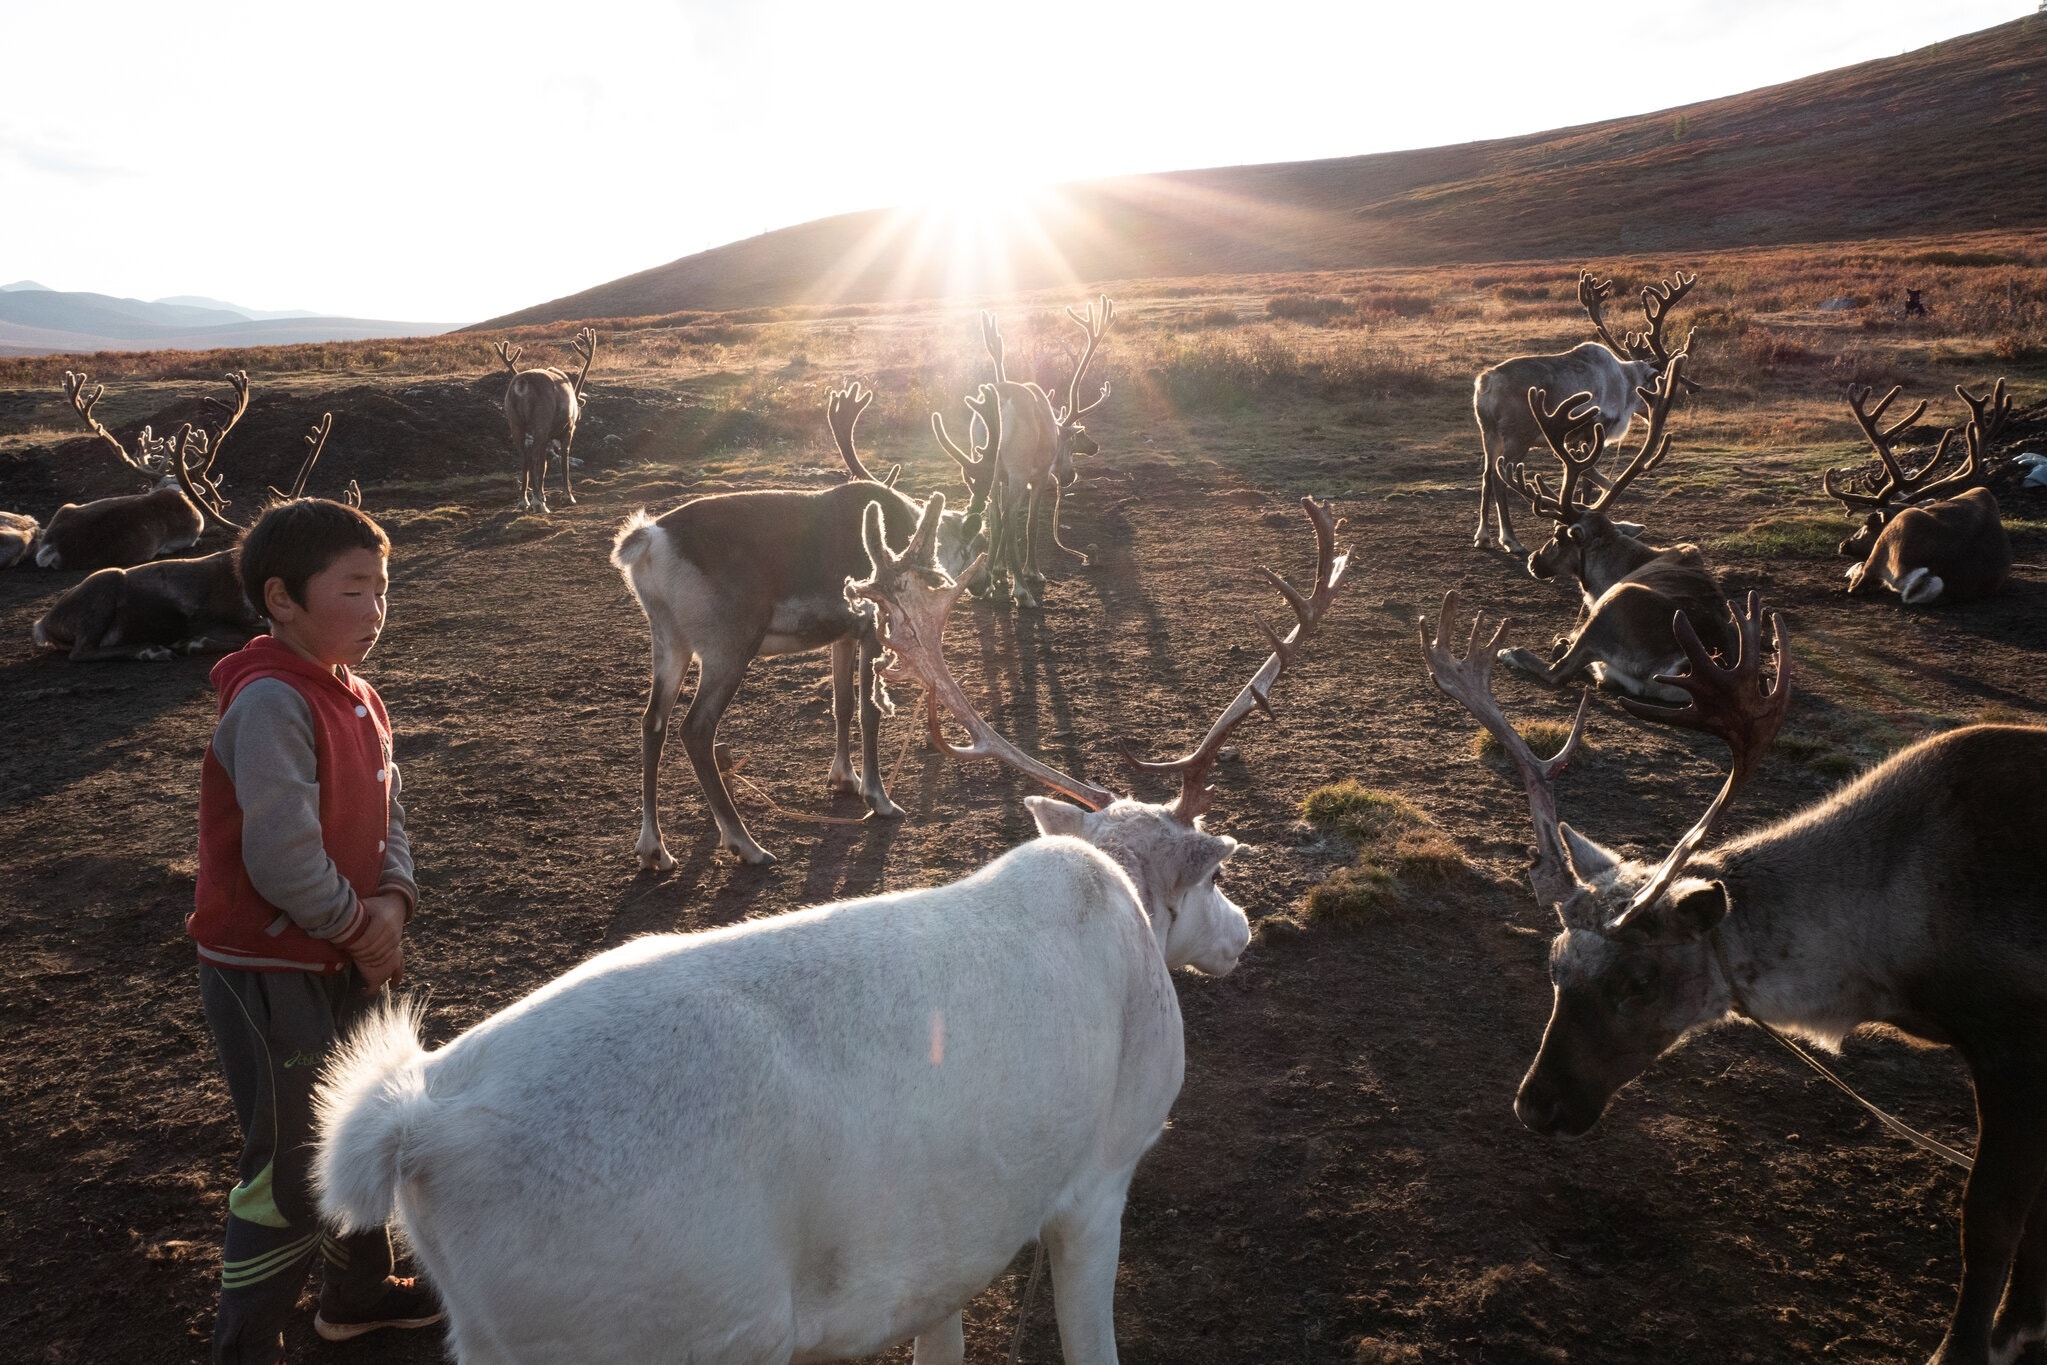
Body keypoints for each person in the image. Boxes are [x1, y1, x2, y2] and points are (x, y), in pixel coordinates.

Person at [187, 498, 441, 1363]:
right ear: (282, 598)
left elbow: (388, 809)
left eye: (382, 589)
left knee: (362, 1126)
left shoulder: (358, 696)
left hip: (342, 953)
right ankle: (244, 1345)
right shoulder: (267, 701)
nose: (375, 610)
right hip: (268, 969)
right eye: (354, 589)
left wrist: (393, 903)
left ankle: (356, 1298)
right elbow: (280, 854)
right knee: (294, 1165)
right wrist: (359, 930)